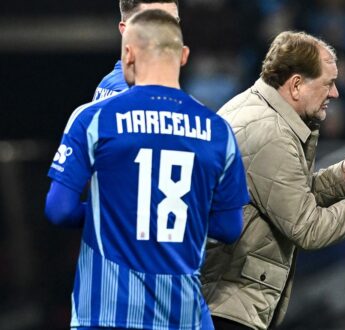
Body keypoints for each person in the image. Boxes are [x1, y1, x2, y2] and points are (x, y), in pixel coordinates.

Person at [45, 9, 248, 329]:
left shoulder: (93, 117)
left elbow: (59, 209)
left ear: (128, 53)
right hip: (182, 314)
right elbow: (229, 227)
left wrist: (118, 216)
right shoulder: (218, 130)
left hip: (105, 312)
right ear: (183, 56)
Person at [201, 31, 345, 330]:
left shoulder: (253, 108)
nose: (336, 93)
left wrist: (340, 179)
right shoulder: (269, 132)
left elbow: (278, 194)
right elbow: (309, 228)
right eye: (328, 83)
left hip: (225, 297)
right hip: (230, 306)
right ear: (297, 84)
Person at [93, 0, 179, 100]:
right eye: (153, 24)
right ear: (125, 30)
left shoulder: (112, 81)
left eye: (173, 23)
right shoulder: (125, 91)